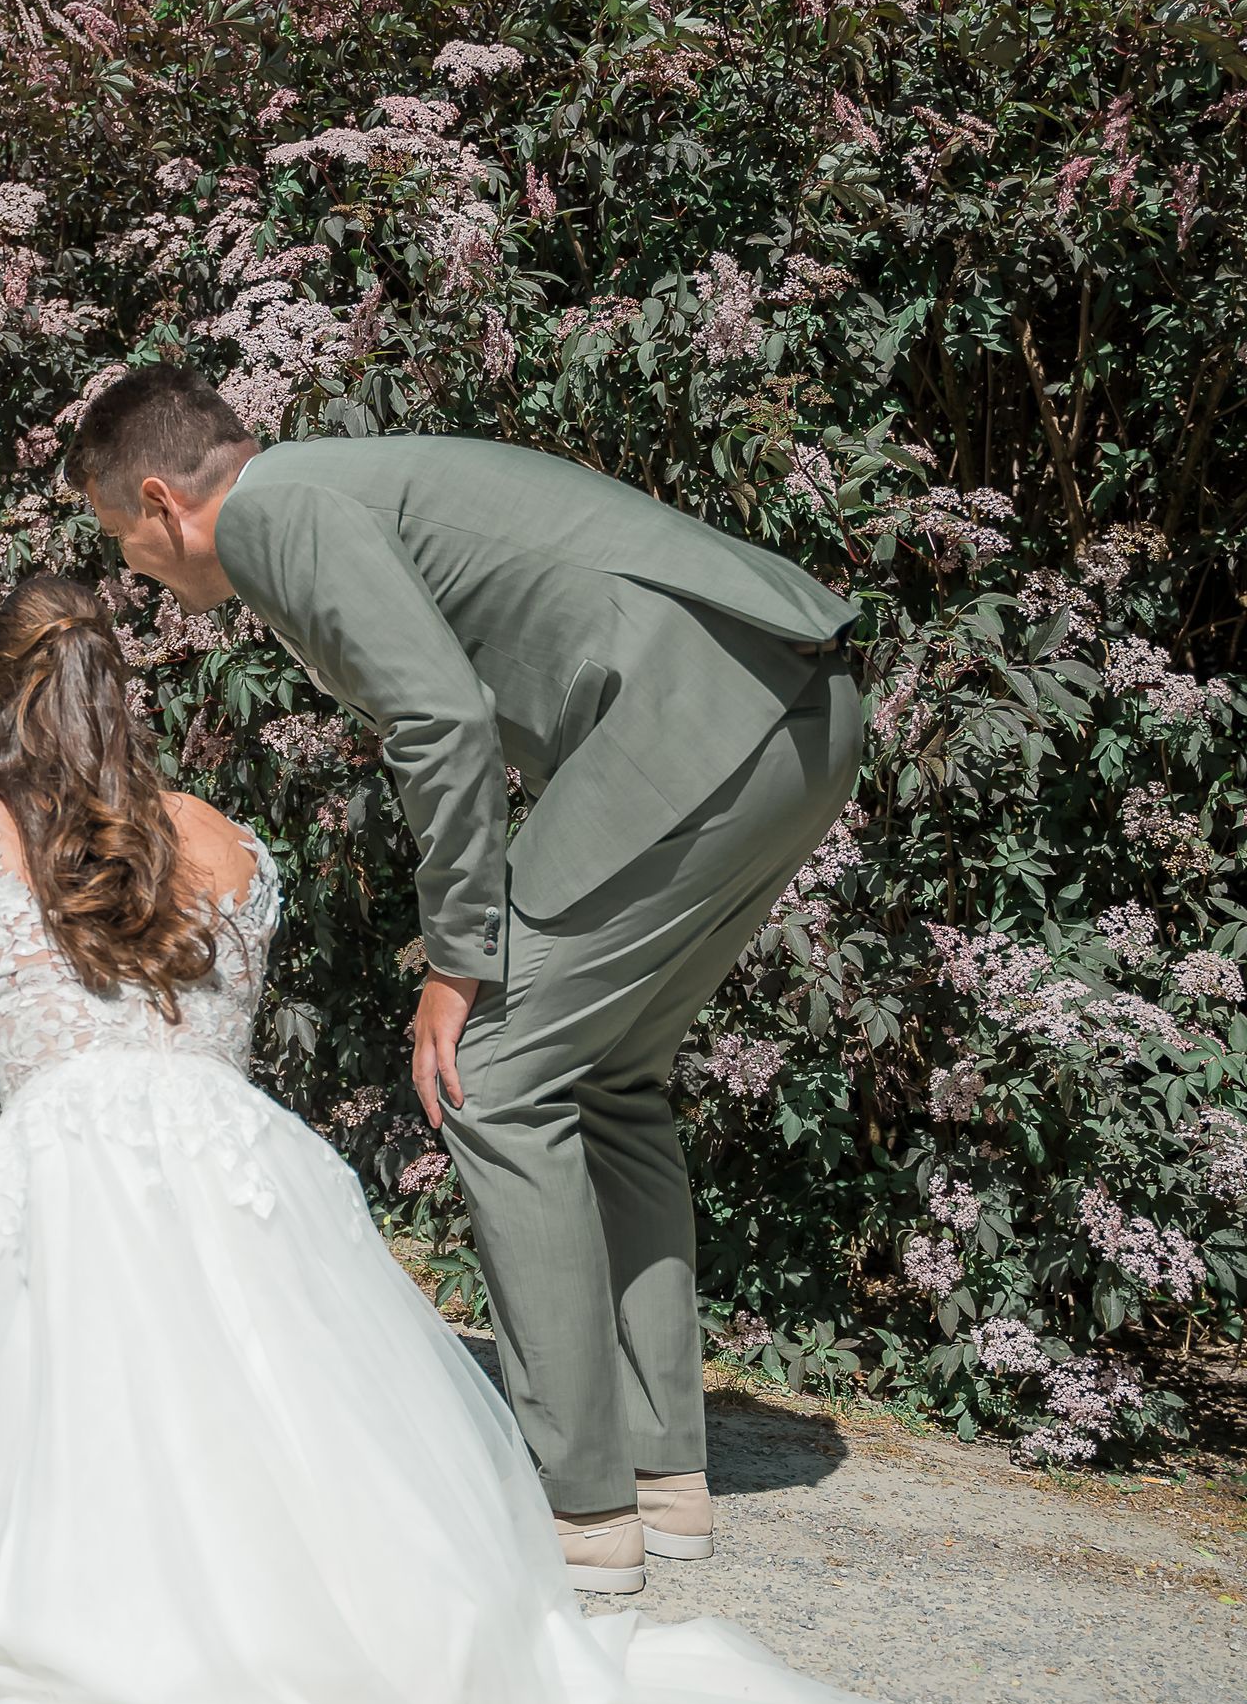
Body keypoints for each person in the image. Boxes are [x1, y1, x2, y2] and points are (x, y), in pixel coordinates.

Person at [0, 576, 1175, 1704]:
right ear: (125, 696)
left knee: (103, 1375)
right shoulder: (231, 849)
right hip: (247, 1166)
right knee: (279, 1420)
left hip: (70, 1170)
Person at [64, 367, 862, 1599]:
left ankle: (576, 1503)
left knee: (487, 1073)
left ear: (163, 501)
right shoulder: (336, 485)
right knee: (612, 1078)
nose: (143, 573)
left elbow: (441, 721)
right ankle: (660, 1475)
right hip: (793, 712)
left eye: (128, 544)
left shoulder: (279, 512)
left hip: (704, 720)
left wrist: (457, 958)